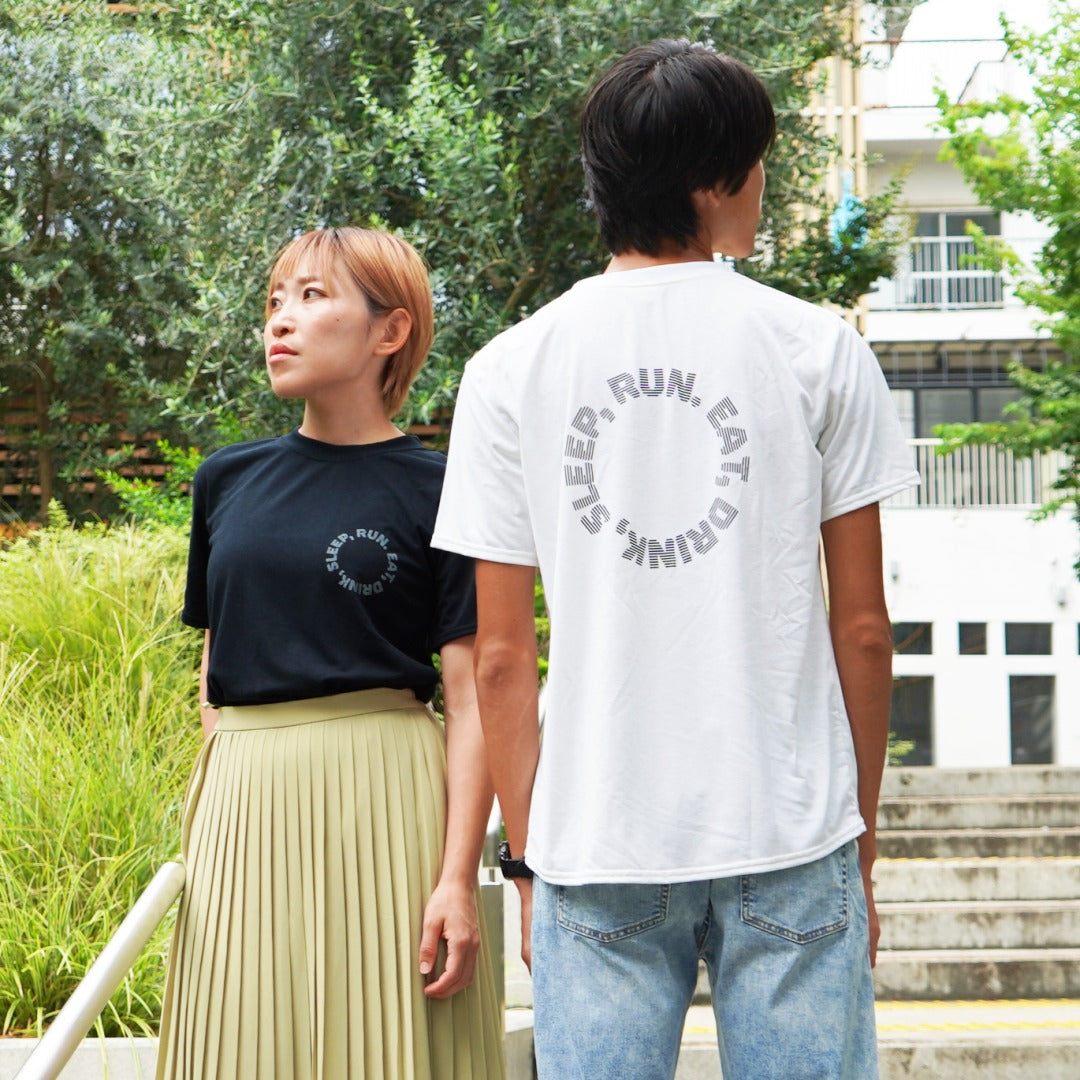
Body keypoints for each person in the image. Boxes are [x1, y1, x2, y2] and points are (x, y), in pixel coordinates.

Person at [431, 39, 919, 1080]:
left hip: (596, 837)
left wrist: (529, 861)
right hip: (790, 830)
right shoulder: (819, 350)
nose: (762, 181)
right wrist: (859, 837)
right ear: (713, 180)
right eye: (756, 161)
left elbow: (501, 658)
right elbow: (863, 629)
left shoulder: (510, 368)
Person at [156, 226, 505, 1080]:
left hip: (388, 799)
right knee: (239, 1043)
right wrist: (228, 796)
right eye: (275, 301)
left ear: (391, 330)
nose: (279, 320)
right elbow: (217, 667)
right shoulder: (225, 481)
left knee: (391, 1039)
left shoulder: (443, 489)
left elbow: (470, 699)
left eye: (311, 297)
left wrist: (457, 877)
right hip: (243, 802)